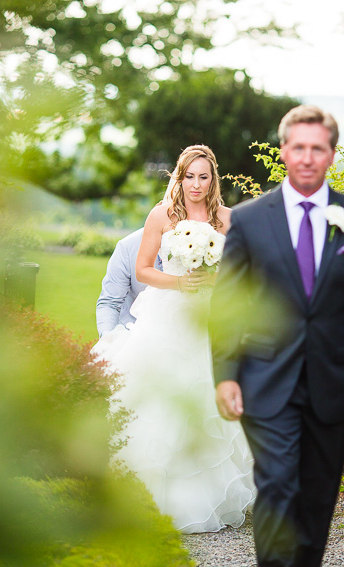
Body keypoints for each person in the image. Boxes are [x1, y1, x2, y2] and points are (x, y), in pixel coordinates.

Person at [210, 105, 344, 566]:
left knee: (317, 498)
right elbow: (227, 305)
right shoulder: (251, 220)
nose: (308, 157)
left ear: (332, 154)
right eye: (299, 147)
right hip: (265, 378)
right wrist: (225, 374)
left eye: (318, 148)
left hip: (333, 383)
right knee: (277, 485)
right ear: (284, 151)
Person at [92, 145, 256, 534]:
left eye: (204, 176)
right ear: (178, 177)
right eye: (189, 176)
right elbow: (144, 270)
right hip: (166, 314)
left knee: (206, 398)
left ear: (213, 179)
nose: (196, 184)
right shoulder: (162, 214)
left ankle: (201, 497)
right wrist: (181, 281)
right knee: (157, 398)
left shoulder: (228, 219)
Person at [95, 228, 162, 338]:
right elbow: (110, 302)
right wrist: (107, 338)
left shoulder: (196, 244)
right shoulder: (128, 246)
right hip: (133, 332)